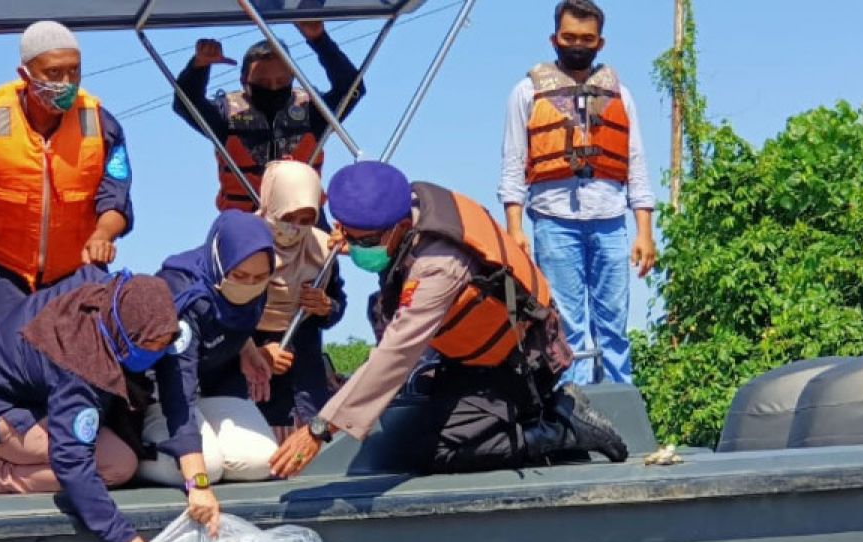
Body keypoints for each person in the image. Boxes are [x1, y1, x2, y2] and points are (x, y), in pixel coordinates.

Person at [270, 161, 629, 480]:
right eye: (346, 235)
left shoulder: (439, 265)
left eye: (362, 240)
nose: (350, 246)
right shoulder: (412, 210)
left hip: (520, 362)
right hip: (472, 360)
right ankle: (529, 418)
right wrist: (359, 244)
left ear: (396, 228)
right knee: (409, 413)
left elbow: (396, 352)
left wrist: (320, 428)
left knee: (431, 450)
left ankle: (559, 428)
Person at [0, 270, 181, 542]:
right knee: (117, 465)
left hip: (36, 398)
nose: (155, 353)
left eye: (163, 344)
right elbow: (72, 461)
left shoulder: (108, 299)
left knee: (117, 449)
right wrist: (120, 536)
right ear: (126, 331)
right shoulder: (82, 361)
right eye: (148, 345)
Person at [499, 0, 658, 385]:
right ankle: (578, 406)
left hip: (609, 220)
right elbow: (513, 162)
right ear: (554, 38)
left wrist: (645, 231)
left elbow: (636, 163)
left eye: (586, 39)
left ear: (600, 43)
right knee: (568, 325)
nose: (577, 45)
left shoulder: (620, 93)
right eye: (569, 37)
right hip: (554, 221)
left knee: (614, 324)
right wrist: (515, 227)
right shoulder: (526, 92)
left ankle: (621, 398)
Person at [0, 20, 134, 325]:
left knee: (85, 364)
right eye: (53, 73)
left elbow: (116, 200)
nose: (66, 81)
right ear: (25, 75)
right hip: (1, 275)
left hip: (75, 275)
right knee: (9, 365)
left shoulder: (103, 129)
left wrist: (103, 235)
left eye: (74, 71)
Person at [138, 211, 279, 495]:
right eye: (239, 275)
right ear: (219, 261)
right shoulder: (184, 294)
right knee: (206, 468)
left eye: (259, 277)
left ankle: (207, 439)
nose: (249, 285)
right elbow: (179, 388)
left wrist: (246, 346)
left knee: (262, 461)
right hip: (165, 391)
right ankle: (136, 453)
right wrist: (197, 482)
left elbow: (229, 317)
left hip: (216, 382)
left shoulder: (258, 282)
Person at [174, 20, 364, 214]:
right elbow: (185, 104)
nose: (273, 88)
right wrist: (199, 66)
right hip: (244, 224)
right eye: (263, 82)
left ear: (292, 79)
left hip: (303, 221)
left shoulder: (312, 112)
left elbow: (352, 89)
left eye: (281, 81)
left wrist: (319, 39)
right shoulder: (225, 116)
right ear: (244, 82)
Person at [253, 161, 346, 440]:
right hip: (256, 388)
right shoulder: (244, 245)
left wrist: (326, 307)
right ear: (272, 205)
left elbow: (337, 301)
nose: (295, 228)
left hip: (307, 386)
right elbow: (222, 316)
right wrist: (255, 351)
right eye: (288, 217)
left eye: (306, 220)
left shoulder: (321, 249)